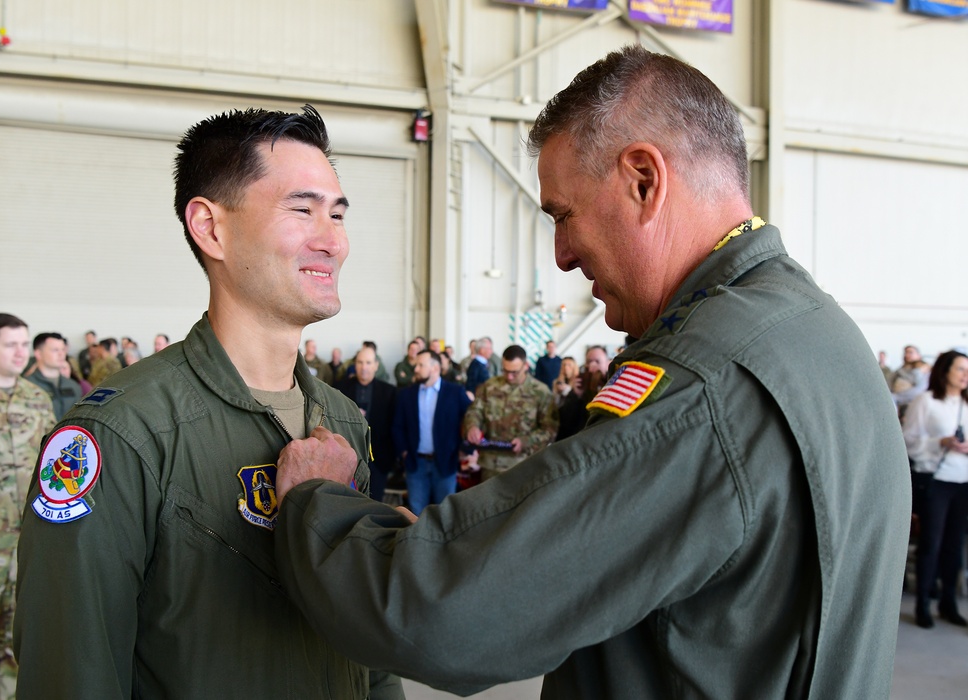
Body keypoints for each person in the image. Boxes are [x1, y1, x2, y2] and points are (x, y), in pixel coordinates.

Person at [271, 46, 909, 698]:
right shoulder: (818, 334)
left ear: (642, 180)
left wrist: (316, 507)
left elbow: (436, 615)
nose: (562, 255)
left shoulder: (701, 385)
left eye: (563, 216)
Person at [14, 107, 403, 699]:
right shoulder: (120, 434)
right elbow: (71, 670)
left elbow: (368, 643)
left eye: (339, 214)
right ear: (211, 227)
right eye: (302, 210)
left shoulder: (342, 422)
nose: (334, 241)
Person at [0, 313, 55, 699]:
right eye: (11, 344)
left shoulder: (37, 399)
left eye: (24, 343)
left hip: (27, 544)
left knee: (16, 642)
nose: (21, 352)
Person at [904, 350, 968, 629]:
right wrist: (940, 443)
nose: (965, 375)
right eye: (960, 369)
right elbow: (907, 441)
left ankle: (948, 604)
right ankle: (923, 605)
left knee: (955, 547)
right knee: (931, 544)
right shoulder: (925, 401)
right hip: (935, 480)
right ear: (944, 372)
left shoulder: (966, 404)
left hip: (963, 482)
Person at [462, 344, 559, 481]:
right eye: (505, 371)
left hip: (524, 465)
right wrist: (472, 426)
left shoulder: (540, 392)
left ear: (525, 366)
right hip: (491, 465)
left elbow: (550, 429)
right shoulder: (490, 386)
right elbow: (475, 410)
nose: (509, 376)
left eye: (514, 372)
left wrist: (526, 441)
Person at [392, 349, 472, 514]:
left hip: (445, 463)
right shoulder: (407, 394)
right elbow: (397, 426)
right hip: (416, 464)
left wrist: (466, 449)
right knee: (416, 514)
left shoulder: (455, 392)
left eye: (421, 365)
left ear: (435, 368)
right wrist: (404, 452)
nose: (415, 369)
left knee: (445, 514)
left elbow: (472, 420)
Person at [338, 347, 397, 501]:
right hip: (347, 459)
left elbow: (394, 427)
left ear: (376, 365)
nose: (364, 367)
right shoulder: (340, 388)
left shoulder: (389, 392)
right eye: (360, 362)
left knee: (375, 505)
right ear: (354, 365)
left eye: (368, 363)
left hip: (379, 461)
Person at [23, 332, 83, 420]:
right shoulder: (26, 386)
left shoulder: (73, 386)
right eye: (55, 350)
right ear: (38, 354)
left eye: (63, 350)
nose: (61, 354)